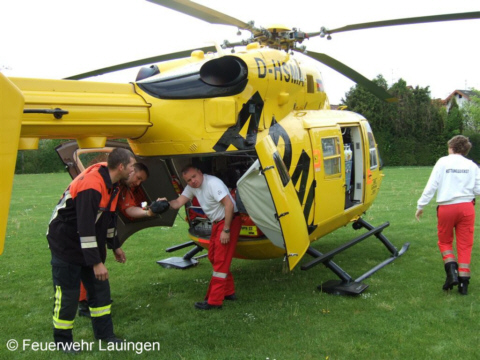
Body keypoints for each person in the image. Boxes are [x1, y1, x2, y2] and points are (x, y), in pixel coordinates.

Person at [47, 147, 135, 352]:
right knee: (68, 295)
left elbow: (109, 218)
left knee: (100, 292)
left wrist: (115, 246)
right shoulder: (92, 185)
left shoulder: (113, 182)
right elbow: (85, 226)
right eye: (131, 166)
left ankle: (106, 336)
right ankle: (63, 342)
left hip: (87, 242)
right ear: (121, 167)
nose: (133, 170)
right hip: (66, 243)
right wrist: (96, 263)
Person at [78, 162, 154, 317]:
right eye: (138, 178)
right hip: (82, 230)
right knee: (87, 263)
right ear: (129, 169)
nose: (137, 183)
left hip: (97, 229)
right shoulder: (98, 183)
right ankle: (83, 302)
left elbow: (117, 214)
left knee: (94, 260)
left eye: (141, 182)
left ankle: (92, 299)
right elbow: (87, 221)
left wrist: (115, 246)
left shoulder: (119, 187)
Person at [167, 165, 241, 310]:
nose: (192, 181)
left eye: (194, 177)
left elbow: (229, 205)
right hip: (217, 222)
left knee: (220, 260)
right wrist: (163, 204)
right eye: (188, 180)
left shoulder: (213, 183)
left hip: (228, 221)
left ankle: (214, 301)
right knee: (213, 256)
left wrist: (226, 230)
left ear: (200, 173)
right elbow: (177, 203)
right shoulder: (192, 187)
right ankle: (228, 291)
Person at [415, 135, 480, 295]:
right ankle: (464, 284)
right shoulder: (472, 166)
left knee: (445, 242)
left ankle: (452, 272)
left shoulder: (442, 162)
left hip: (446, 208)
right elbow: (478, 190)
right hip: (466, 208)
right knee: (465, 245)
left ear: (451, 147)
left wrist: (421, 205)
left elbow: (431, 186)